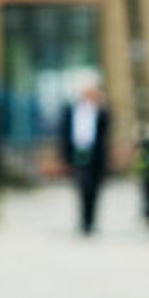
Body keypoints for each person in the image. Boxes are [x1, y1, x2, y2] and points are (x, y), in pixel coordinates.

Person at [58, 79, 111, 236]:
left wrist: (101, 105)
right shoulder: (72, 110)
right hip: (79, 152)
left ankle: (91, 221)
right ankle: (83, 221)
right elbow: (65, 133)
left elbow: (107, 126)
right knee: (82, 187)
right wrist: (65, 156)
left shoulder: (100, 111)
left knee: (94, 189)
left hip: (95, 154)